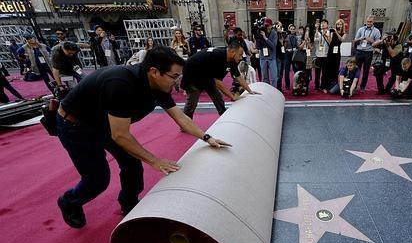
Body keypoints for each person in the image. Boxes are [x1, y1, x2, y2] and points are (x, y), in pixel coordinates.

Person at [55, 46, 232, 229]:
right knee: (97, 180)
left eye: (179, 75)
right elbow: (120, 135)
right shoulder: (120, 84)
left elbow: (180, 117)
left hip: (105, 122)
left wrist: (207, 137)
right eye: (174, 76)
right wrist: (155, 161)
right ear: (154, 72)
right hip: (76, 126)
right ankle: (69, 201)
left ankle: (129, 204)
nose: (178, 81)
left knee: (132, 164)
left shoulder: (158, 86)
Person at [180, 41, 260, 119]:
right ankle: (186, 122)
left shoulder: (232, 60)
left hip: (207, 75)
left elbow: (238, 76)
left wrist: (250, 91)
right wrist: (232, 96)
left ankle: (223, 116)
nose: (241, 58)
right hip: (192, 75)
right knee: (192, 101)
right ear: (232, 52)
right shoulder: (218, 57)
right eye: (239, 55)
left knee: (218, 97)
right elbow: (219, 83)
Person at [353, 15, 381, 92]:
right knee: (356, 69)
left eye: (370, 22)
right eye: (367, 21)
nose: (368, 23)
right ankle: (354, 85)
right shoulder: (361, 29)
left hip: (368, 52)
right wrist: (360, 39)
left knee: (366, 70)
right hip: (359, 51)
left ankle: (363, 86)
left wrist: (371, 40)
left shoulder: (376, 31)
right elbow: (355, 40)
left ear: (373, 22)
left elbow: (378, 43)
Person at [257, 17, 278, 87]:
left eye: (268, 25)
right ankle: (267, 92)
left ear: (271, 26)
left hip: (272, 58)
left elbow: (273, 46)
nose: (267, 27)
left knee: (274, 78)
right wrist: (258, 38)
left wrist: (265, 38)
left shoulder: (274, 33)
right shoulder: (261, 33)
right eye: (265, 26)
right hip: (263, 57)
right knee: (265, 78)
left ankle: (274, 92)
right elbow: (258, 47)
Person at [314, 19, 331, 91]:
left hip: (326, 55)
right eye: (322, 23)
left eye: (324, 23)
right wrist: (317, 29)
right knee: (317, 72)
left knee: (325, 73)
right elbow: (315, 40)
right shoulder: (318, 32)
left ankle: (323, 86)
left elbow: (330, 42)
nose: (323, 24)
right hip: (318, 55)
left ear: (327, 25)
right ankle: (316, 86)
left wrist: (326, 35)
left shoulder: (329, 32)